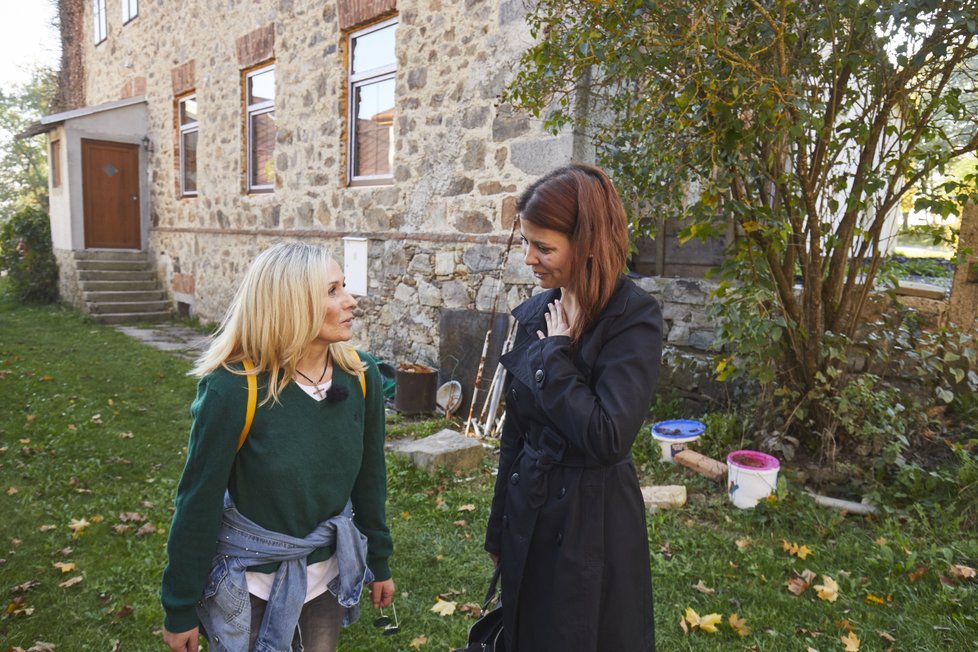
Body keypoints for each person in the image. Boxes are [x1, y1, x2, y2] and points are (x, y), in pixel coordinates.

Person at [160, 241, 394, 652]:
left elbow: (371, 478)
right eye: (332, 291)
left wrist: (379, 560)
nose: (351, 301)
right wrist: (180, 606)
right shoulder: (234, 388)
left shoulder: (360, 375)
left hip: (324, 578)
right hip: (249, 582)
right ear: (290, 304)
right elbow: (199, 501)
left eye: (345, 287)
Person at [484, 163, 662, 651]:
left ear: (587, 243)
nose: (529, 259)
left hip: (593, 529)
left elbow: (608, 436)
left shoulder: (633, 317)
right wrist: (500, 527)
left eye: (543, 247)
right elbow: (515, 434)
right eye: (527, 243)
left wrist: (557, 355)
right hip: (532, 512)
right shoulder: (540, 310)